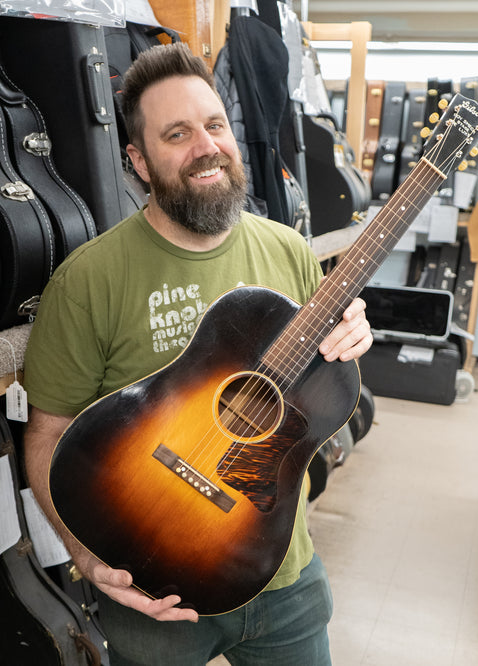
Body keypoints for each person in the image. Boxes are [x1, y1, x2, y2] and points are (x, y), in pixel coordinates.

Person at [23, 42, 373, 665]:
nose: (205, 146)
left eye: (214, 125)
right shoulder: (87, 283)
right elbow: (48, 434)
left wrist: (350, 342)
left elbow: (316, 393)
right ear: (139, 161)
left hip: (280, 570)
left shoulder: (288, 250)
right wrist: (85, 556)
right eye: (177, 134)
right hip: (154, 586)